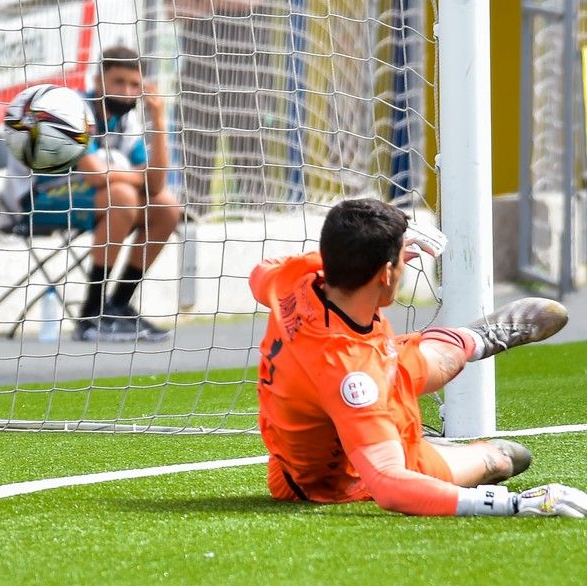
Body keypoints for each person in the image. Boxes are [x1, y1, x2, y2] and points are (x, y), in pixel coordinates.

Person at [249, 198, 587, 517]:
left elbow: (258, 275)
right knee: (504, 459)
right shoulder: (351, 376)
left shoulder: (296, 279)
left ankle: (475, 339)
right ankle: (470, 449)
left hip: (347, 376)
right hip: (339, 478)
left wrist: (372, 254)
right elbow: (389, 485)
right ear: (385, 273)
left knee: (423, 359)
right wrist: (510, 504)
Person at [18, 45, 181, 342]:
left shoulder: (127, 121)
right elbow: (94, 175)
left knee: (168, 206)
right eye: (119, 82)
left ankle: (118, 306)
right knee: (123, 195)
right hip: (38, 200)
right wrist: (136, 177)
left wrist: (158, 119)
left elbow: (156, 185)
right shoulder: (72, 110)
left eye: (135, 85)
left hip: (99, 199)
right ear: (98, 81)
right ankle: (91, 313)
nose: (127, 91)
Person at [168, 0, 275, 214]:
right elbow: (173, 8)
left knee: (251, 168)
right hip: (198, 79)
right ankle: (193, 232)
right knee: (195, 169)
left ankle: (257, 228)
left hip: (247, 79)